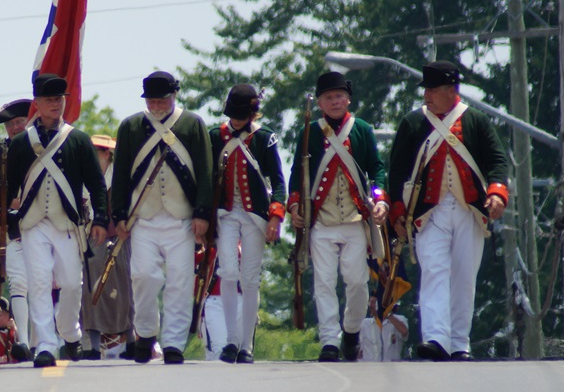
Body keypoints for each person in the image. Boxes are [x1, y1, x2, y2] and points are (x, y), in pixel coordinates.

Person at [388, 61, 508, 362]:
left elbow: (497, 161)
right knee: (434, 273)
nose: (427, 95)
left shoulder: (476, 121)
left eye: (433, 89)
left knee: (464, 277)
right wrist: (398, 210)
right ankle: (435, 338)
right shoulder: (413, 122)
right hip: (430, 213)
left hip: (470, 211)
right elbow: (398, 170)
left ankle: (459, 343)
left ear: (451, 90)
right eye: (426, 89)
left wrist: (497, 193)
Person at [6, 74, 108, 368]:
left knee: (71, 285)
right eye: (49, 99)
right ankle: (47, 345)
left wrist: (100, 218)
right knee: (38, 282)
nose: (55, 104)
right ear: (37, 103)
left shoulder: (77, 140)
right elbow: (10, 186)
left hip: (67, 224)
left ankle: (70, 333)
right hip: (33, 224)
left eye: (59, 99)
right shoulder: (22, 143)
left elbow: (97, 184)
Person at [111, 71, 213, 364]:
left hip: (181, 218)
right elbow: (121, 174)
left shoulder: (192, 124)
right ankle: (145, 334)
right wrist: (119, 213)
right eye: (152, 100)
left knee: (180, 280)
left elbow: (205, 172)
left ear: (174, 97)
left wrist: (202, 212)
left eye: (162, 100)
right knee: (144, 276)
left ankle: (173, 343)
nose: (157, 105)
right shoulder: (131, 126)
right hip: (143, 218)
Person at [288, 71, 388, 362]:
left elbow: (377, 170)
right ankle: (329, 342)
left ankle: (352, 330)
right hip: (321, 221)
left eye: (339, 96)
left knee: (357, 282)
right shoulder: (309, 132)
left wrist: (380, 200)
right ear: (320, 102)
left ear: (348, 99)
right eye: (328, 97)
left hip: (355, 220)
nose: (335, 101)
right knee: (323, 283)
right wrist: (295, 207)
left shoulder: (363, 130)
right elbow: (297, 174)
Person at [209, 84, 286, 364]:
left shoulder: (264, 138)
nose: (237, 119)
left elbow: (278, 180)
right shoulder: (215, 136)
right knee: (228, 271)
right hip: (226, 213)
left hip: (255, 216)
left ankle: (246, 345)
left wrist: (276, 215)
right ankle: (230, 340)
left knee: (250, 279)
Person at [0, 98, 33, 361]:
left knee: (47, 286)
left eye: (19, 122)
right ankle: (24, 342)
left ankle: (49, 340)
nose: (15, 127)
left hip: (46, 227)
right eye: (11, 124)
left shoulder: (46, 148)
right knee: (19, 285)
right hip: (12, 231)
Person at [80, 133, 134, 360]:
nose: (94, 155)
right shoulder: (82, 178)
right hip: (91, 239)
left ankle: (131, 339)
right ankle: (91, 343)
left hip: (120, 237)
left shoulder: (120, 177)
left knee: (126, 286)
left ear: (107, 154)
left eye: (98, 150)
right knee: (89, 289)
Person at [359, 295, 409, 362]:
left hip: (392, 369)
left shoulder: (399, 320)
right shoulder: (364, 324)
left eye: (373, 302)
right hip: (369, 369)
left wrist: (387, 313)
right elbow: (358, 351)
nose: (370, 306)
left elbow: (404, 331)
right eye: (370, 302)